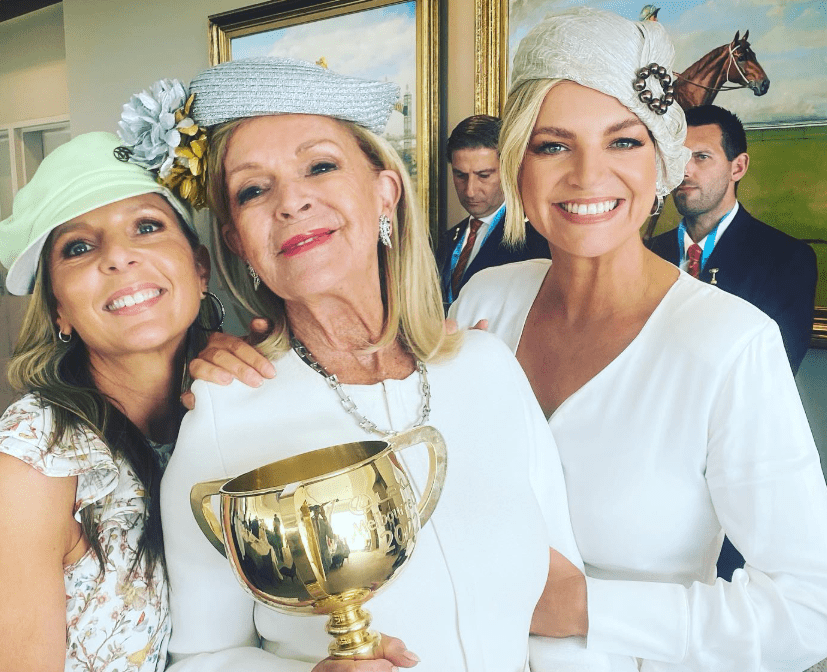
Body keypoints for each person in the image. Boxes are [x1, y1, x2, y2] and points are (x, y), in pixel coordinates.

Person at [129, 57, 582, 672]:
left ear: (384, 191)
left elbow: (559, 601)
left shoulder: (489, 367)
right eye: (253, 190)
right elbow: (203, 654)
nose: (291, 202)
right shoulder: (223, 407)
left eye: (320, 166)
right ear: (238, 238)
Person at [449, 7, 827, 671]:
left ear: (662, 162)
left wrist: (581, 606)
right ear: (518, 166)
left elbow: (807, 614)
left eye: (623, 141)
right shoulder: (486, 302)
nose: (588, 176)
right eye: (552, 144)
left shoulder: (729, 344)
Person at [0, 132, 217, 672]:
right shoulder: (29, 470)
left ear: (199, 267)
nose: (119, 257)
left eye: (147, 226)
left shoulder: (230, 404)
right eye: (80, 247)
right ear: (60, 310)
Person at [649, 104, 817, 376]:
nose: (684, 170)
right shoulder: (647, 253)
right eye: (676, 158)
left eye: (701, 157)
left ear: (737, 167)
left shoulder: (788, 260)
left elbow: (773, 377)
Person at [438, 115, 551, 308]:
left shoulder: (537, 238)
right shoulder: (446, 240)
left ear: (509, 170)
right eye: (460, 175)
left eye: (483, 176)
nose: (470, 190)